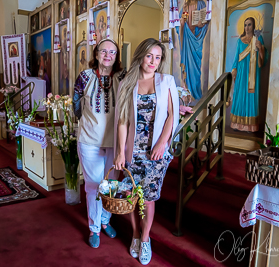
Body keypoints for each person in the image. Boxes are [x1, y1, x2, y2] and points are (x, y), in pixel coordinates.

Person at [113, 38, 180, 265]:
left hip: (156, 153)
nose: (153, 61)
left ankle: (145, 238)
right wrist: (121, 152)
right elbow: (122, 120)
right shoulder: (127, 83)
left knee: (148, 198)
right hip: (134, 150)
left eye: (158, 57)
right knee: (132, 197)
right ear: (141, 55)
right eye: (149, 56)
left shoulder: (166, 81)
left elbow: (172, 114)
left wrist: (163, 142)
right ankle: (134, 234)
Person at [73, 39, 126, 249]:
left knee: (111, 185)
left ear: (116, 56)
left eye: (112, 52)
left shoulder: (123, 77)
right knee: (94, 186)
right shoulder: (85, 77)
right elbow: (77, 103)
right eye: (104, 51)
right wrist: (86, 121)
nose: (108, 55)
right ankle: (95, 228)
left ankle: (105, 220)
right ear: (96, 54)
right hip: (89, 140)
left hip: (115, 142)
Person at [228, 17, 266, 132]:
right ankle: (237, 124)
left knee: (250, 97)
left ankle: (250, 126)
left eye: (249, 25)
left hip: (253, 73)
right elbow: (236, 56)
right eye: (245, 25)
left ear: (253, 26)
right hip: (241, 71)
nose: (247, 27)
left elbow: (263, 60)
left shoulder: (258, 38)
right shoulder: (240, 40)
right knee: (239, 95)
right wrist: (234, 69)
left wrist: (260, 48)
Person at [175, 0, 209, 100]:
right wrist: (182, 20)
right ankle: (187, 94)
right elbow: (180, 25)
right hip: (187, 38)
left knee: (196, 68)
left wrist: (201, 25)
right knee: (186, 67)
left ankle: (196, 94)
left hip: (196, 39)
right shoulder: (185, 6)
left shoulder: (201, 4)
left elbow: (206, 21)